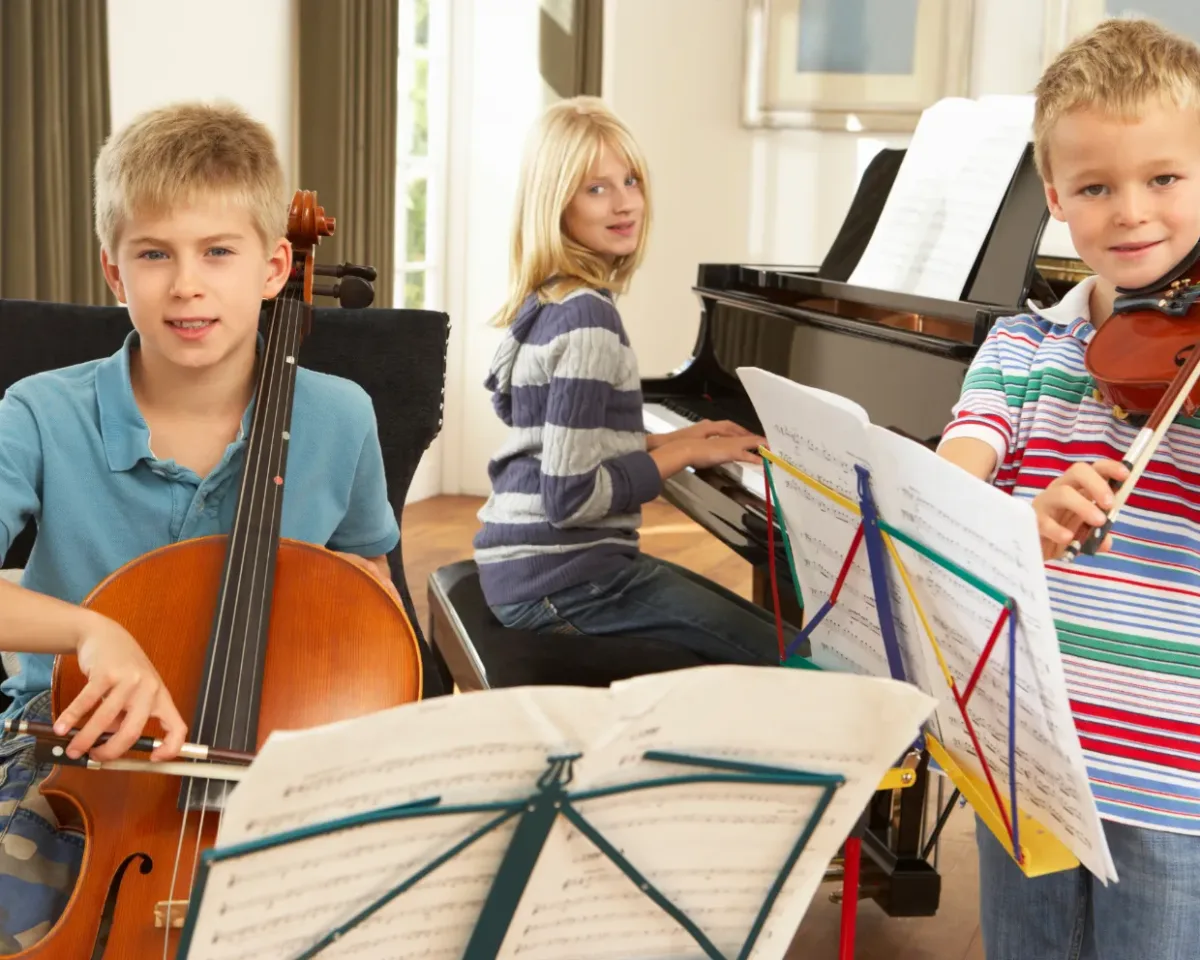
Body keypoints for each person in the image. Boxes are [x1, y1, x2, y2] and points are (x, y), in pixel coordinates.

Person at [0, 101, 401, 950]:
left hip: (271, 748)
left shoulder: (340, 418)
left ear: (273, 265)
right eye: (155, 254)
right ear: (115, 274)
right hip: (70, 741)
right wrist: (90, 630)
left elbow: (369, 586)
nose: (187, 284)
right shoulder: (39, 413)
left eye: (218, 252)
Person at [938, 17, 1200, 959]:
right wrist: (1021, 520)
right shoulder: (1019, 351)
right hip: (1028, 758)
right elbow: (942, 505)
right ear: (1056, 196)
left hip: (1175, 778)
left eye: (1165, 178)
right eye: (1097, 186)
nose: (1132, 211)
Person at [472, 96, 784, 666]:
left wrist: (665, 443)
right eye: (596, 188)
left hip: (526, 565)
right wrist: (683, 450)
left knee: (750, 624)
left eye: (631, 180)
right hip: (565, 580)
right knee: (782, 652)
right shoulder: (590, 320)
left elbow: (553, 441)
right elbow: (570, 498)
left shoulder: (548, 301)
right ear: (556, 204)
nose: (625, 204)